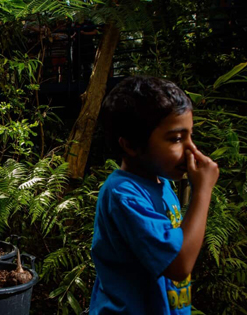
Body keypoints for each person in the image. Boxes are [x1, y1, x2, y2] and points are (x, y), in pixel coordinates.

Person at [89, 76, 219, 314]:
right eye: (177, 139)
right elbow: (179, 265)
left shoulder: (162, 182)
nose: (192, 149)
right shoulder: (124, 195)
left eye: (190, 135)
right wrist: (203, 190)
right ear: (130, 145)